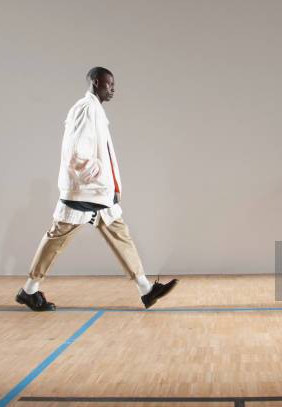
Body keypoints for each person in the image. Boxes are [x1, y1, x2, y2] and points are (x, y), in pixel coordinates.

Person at [16, 67, 178, 311]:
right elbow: (76, 151)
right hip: (85, 191)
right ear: (94, 82)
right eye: (108, 84)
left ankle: (146, 289)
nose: (112, 88)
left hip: (96, 192)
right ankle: (29, 290)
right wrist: (98, 173)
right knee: (56, 239)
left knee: (119, 236)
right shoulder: (87, 108)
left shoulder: (95, 110)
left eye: (113, 84)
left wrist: (105, 182)